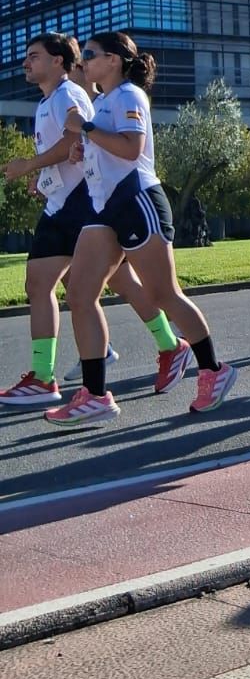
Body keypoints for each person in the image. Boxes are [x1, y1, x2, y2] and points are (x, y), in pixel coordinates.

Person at [46, 33, 236, 424]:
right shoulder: (101, 104)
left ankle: (213, 369)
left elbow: (132, 149)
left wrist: (85, 129)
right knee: (80, 294)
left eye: (91, 56)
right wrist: (84, 146)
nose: (83, 63)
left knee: (164, 293)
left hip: (137, 201)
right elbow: (104, 151)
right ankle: (95, 395)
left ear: (113, 61)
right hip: (103, 208)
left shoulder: (129, 96)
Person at [0, 35, 165, 406]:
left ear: (58, 61)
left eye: (34, 57)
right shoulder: (46, 103)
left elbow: (79, 141)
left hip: (83, 204)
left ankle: (170, 344)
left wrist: (30, 165)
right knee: (44, 283)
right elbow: (64, 151)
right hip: (61, 203)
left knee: (117, 282)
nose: (25, 63)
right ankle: (45, 377)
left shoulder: (68, 96)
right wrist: (40, 177)